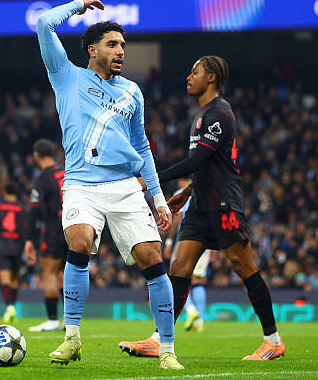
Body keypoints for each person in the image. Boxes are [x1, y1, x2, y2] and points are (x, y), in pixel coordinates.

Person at [36, 0, 183, 370]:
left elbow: (142, 147)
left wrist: (158, 198)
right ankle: (72, 338)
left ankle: (167, 349)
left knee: (153, 259)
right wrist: (78, 5)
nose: (120, 51)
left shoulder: (132, 91)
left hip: (125, 187)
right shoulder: (66, 75)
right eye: (112, 44)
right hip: (81, 185)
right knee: (79, 242)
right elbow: (43, 23)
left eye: (123, 45)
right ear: (92, 50)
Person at [118, 56, 285, 360]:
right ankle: (159, 338)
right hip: (200, 204)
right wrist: (187, 191)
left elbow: (198, 161)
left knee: (244, 267)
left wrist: (151, 179)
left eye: (194, 72)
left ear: (211, 78)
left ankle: (273, 341)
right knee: (180, 267)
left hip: (224, 203)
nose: (188, 77)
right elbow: (208, 165)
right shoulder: (202, 114)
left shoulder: (219, 113)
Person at [24, 139, 66, 332]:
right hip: (72, 228)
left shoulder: (42, 178)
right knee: (64, 273)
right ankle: (70, 319)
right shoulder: (66, 172)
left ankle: (52, 320)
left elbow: (34, 211)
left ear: (36, 155)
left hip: (53, 231)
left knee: (49, 272)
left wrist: (29, 239)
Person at [163, 178, 210, 333]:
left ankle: (191, 310)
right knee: (198, 280)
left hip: (186, 241)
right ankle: (200, 321)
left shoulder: (181, 193)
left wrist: (169, 242)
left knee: (178, 277)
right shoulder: (207, 191)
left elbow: (177, 219)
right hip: (206, 240)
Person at [0, 182, 28, 323]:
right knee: (14, 279)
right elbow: (25, 228)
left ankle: (9, 307)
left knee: (4, 279)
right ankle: (12, 307)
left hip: (3, 245)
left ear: (5, 192)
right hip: (18, 246)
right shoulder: (22, 207)